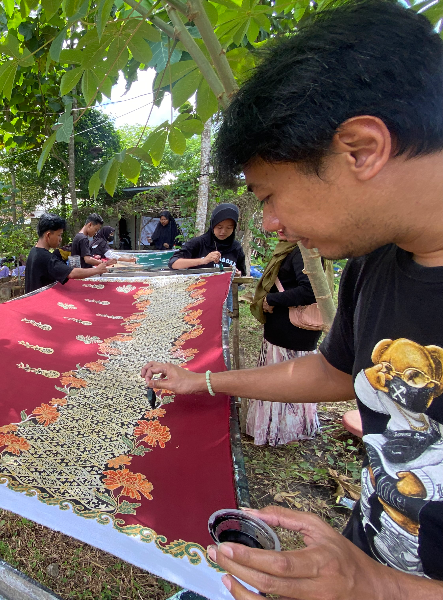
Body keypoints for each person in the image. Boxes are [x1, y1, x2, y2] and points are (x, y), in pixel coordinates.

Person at [142, 2, 443, 598]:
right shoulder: (376, 261)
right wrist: (203, 382)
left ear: (361, 149)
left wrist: (377, 588)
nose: (271, 222)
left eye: (269, 196)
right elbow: (336, 372)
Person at [245, 231, 331, 445]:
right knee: (284, 378)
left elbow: (310, 291)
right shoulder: (293, 248)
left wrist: (271, 299)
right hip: (287, 329)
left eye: (287, 224)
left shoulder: (303, 250)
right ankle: (285, 429)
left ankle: (282, 432)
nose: (279, 229)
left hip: (292, 330)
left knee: (283, 380)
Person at [25, 213, 108, 294]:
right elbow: (71, 273)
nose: (60, 239)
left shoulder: (33, 251)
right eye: (59, 235)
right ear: (48, 235)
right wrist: (97, 270)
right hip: (42, 300)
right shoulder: (46, 258)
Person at [168, 203, 247, 275]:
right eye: (219, 227)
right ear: (213, 225)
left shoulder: (236, 247)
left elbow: (242, 273)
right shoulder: (198, 243)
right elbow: (173, 263)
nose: (223, 231)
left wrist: (238, 274)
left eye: (229, 228)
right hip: (199, 285)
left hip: (227, 286)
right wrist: (203, 260)